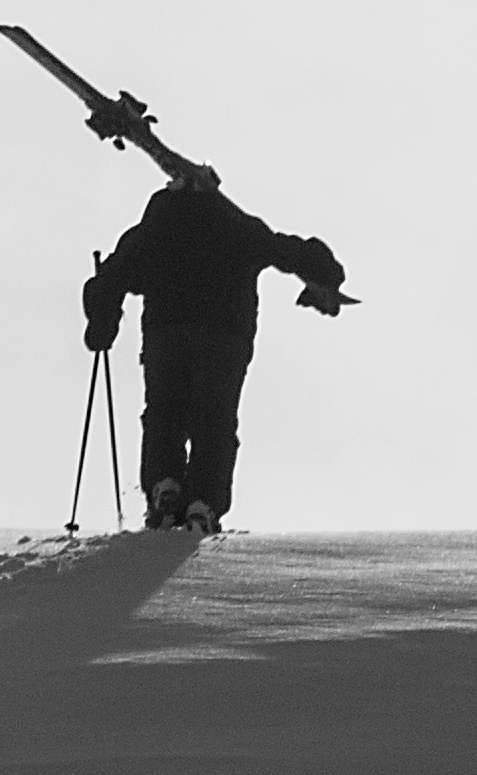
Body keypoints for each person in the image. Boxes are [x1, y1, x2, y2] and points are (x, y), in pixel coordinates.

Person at [79, 167, 346, 533]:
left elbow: (112, 277)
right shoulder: (237, 225)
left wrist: (102, 324)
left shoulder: (152, 230)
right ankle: (203, 503)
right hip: (224, 337)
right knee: (215, 420)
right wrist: (327, 278)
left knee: (164, 412)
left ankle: (164, 486)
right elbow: (286, 249)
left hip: (165, 334)